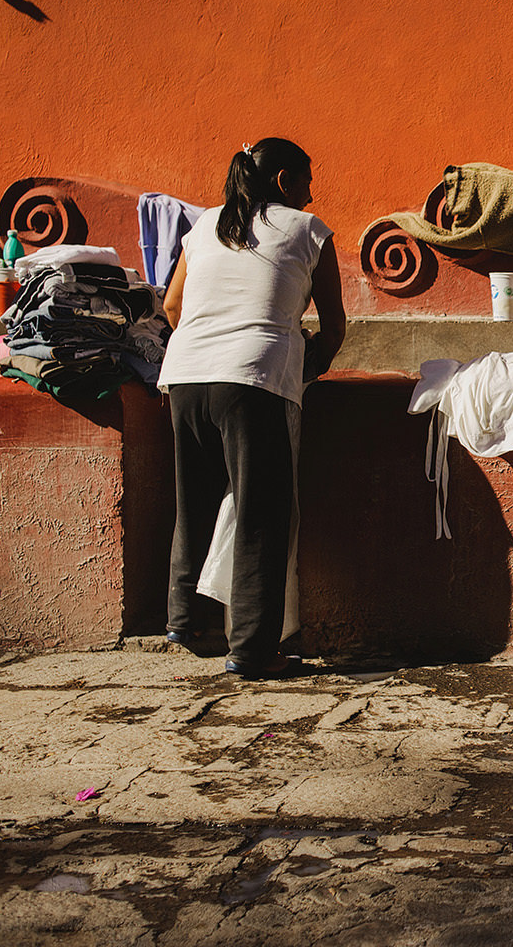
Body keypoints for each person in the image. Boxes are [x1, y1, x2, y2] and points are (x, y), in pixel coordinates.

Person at [158, 138, 347, 678]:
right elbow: (333, 326)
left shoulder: (204, 226)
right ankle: (251, 650)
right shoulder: (309, 230)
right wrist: (310, 366)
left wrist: (206, 348)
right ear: (285, 181)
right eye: (307, 179)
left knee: (192, 500)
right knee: (261, 516)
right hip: (253, 379)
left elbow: (173, 305)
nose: (313, 192)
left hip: (185, 375)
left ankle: (184, 620)